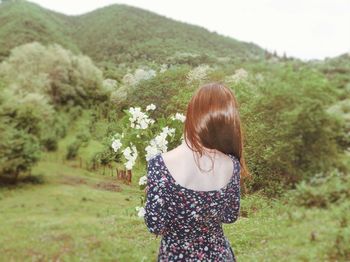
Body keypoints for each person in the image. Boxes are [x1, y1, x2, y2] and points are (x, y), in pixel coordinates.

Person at [144, 82, 249, 261]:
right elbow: (230, 216)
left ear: (192, 114)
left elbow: (155, 225)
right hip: (218, 256)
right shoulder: (232, 165)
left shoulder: (160, 165)